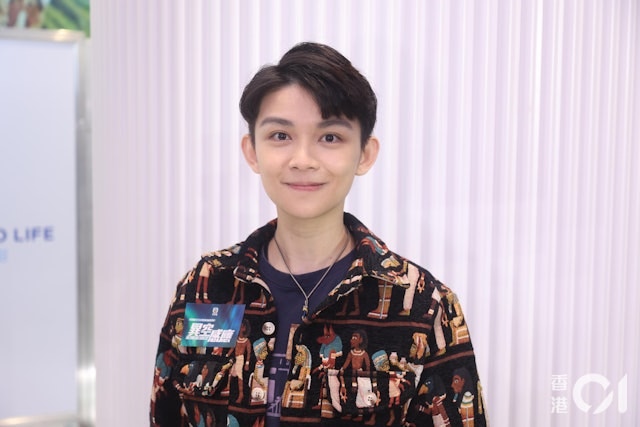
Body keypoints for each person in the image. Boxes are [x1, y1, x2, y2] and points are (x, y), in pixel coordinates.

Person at [150, 41, 488, 427]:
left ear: (364, 154)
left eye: (330, 137)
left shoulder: (424, 306)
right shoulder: (205, 286)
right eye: (281, 135)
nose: (303, 160)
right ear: (252, 151)